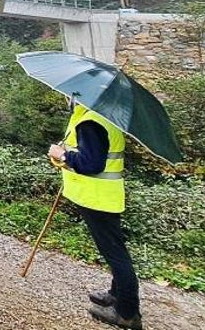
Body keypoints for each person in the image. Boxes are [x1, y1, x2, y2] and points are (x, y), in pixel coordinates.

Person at [48, 101, 141, 329]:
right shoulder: (105, 116)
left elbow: (92, 164)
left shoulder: (91, 122)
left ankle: (127, 314)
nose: (68, 98)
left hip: (96, 198)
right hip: (104, 196)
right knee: (115, 249)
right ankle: (115, 294)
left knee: (116, 255)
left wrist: (62, 156)